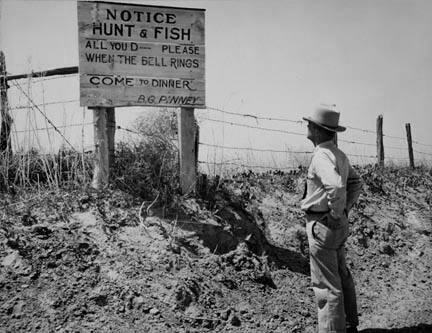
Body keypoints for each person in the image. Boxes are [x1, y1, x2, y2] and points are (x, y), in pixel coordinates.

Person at [301, 107, 363, 333]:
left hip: (322, 223)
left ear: (318, 130)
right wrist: (343, 210)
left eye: (310, 124)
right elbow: (356, 183)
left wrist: (336, 213)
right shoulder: (339, 154)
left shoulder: (320, 156)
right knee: (341, 274)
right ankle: (349, 324)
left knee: (327, 285)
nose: (307, 127)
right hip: (336, 224)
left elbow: (336, 186)